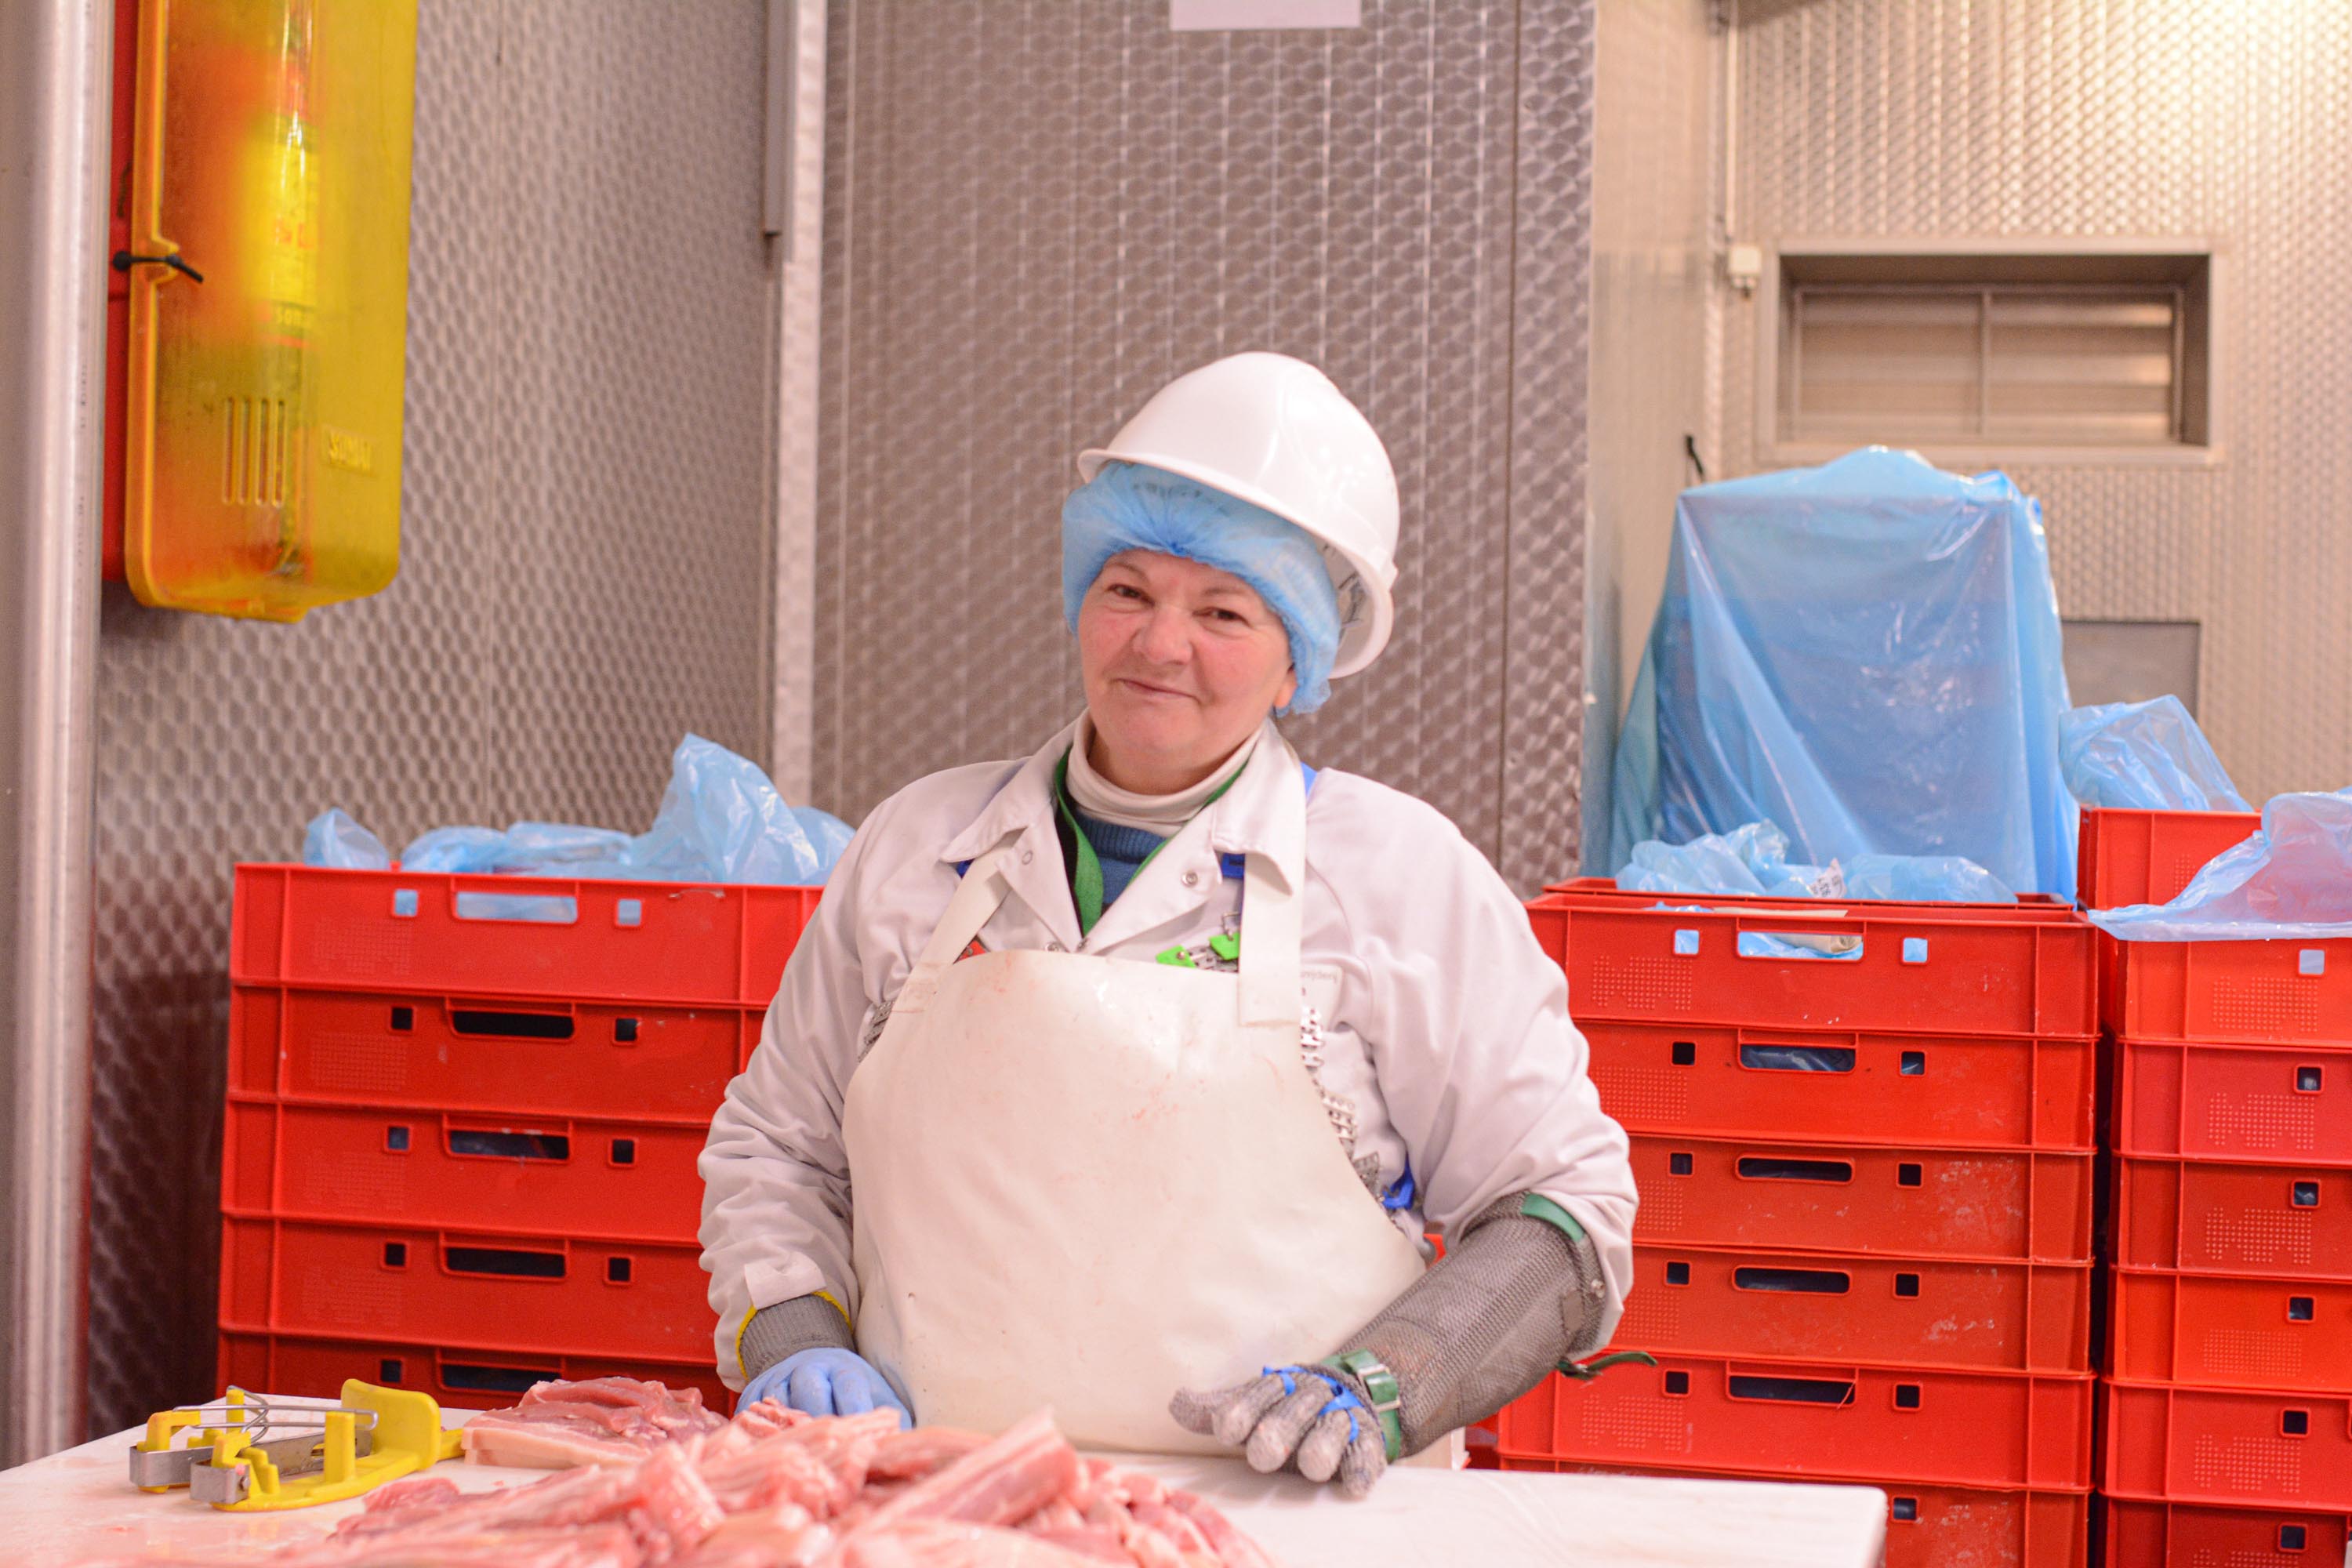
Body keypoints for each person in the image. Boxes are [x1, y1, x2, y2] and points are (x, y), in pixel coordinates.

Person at [699, 351, 1636, 1497]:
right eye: (1127, 591)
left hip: (1285, 1519)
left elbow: (1563, 1210)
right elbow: (779, 1144)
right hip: (932, 1506)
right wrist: (795, 1332)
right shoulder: (917, 846)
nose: (1158, 646)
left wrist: (1388, 1383)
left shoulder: (1397, 874)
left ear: (1298, 662)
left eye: (1224, 612)